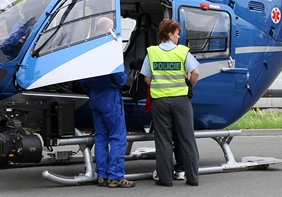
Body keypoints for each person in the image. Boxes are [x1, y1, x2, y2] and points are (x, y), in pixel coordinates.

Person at [141, 19, 200, 187]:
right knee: (187, 139)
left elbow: (146, 78)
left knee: (163, 141)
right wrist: (188, 87)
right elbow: (195, 73)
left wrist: (158, 86)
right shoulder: (182, 52)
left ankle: (165, 179)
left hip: (160, 102)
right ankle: (193, 179)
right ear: (169, 34)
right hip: (181, 101)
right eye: (177, 34)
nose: (178, 37)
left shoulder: (152, 52)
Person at [80, 16, 135, 188]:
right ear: (106, 29)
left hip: (95, 96)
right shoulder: (109, 48)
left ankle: (102, 175)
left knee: (101, 137)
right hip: (110, 97)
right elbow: (119, 78)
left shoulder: (88, 49)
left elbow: (82, 80)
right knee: (118, 137)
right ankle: (116, 176)